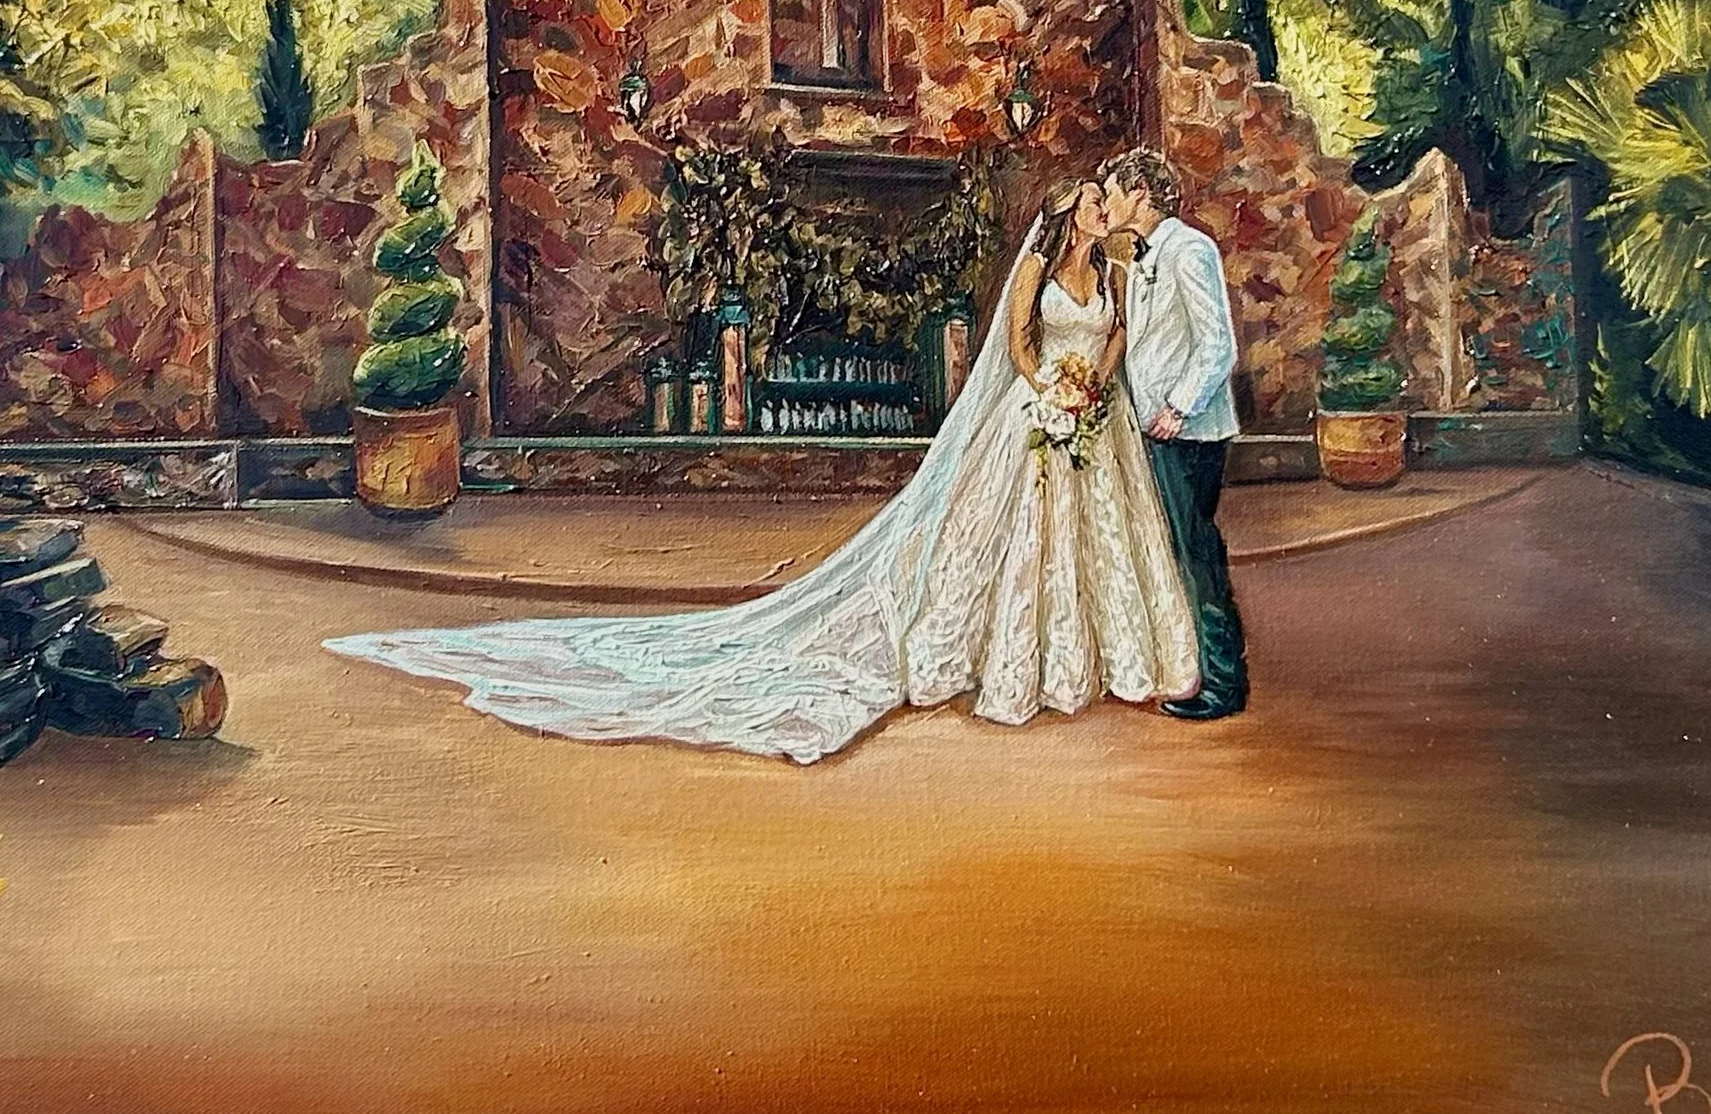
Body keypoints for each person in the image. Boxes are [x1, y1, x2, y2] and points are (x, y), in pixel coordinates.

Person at [323, 177, 1202, 763]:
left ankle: (1091, 662)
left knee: (1093, 544)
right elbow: (1016, 343)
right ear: (1068, 215)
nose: (1097, 210)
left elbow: (1114, 331)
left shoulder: (1116, 270)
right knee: (1008, 544)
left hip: (1091, 416)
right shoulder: (1040, 267)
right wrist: (1051, 382)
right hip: (1039, 407)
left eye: (1100, 202)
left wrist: (1093, 380)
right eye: (1089, 201)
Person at [1095, 148, 1248, 719]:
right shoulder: (1143, 258)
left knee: (1196, 554)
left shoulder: (1189, 249)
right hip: (1155, 429)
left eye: (1112, 190)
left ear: (1139, 192)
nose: (1106, 202)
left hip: (1189, 432)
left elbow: (1218, 345)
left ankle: (1223, 684)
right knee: (1175, 552)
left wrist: (1179, 409)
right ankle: (1190, 669)